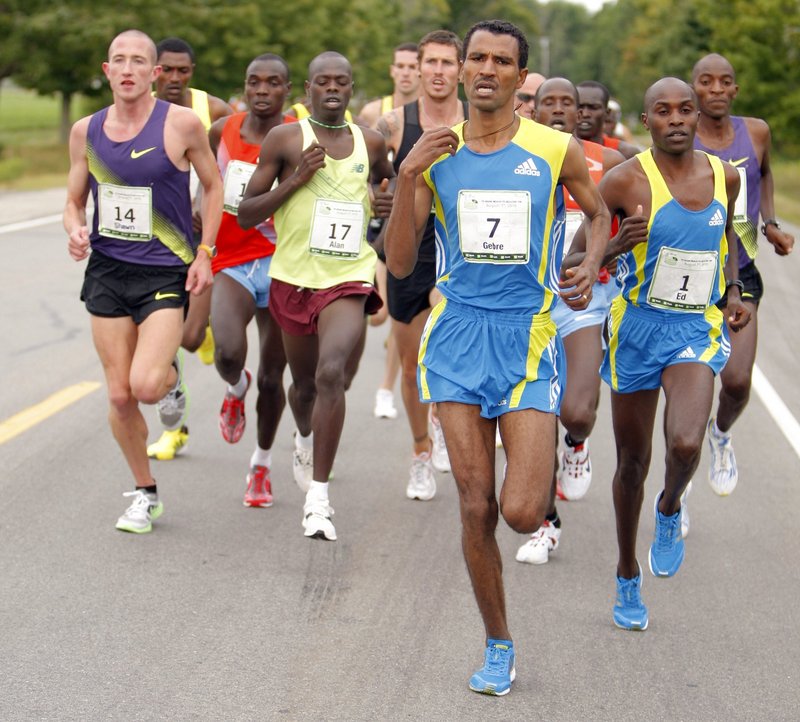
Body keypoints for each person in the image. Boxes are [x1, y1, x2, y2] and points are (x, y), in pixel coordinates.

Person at [385, 20, 610, 695]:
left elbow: (599, 215)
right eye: (475, 58)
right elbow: (399, 262)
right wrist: (405, 176)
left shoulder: (553, 148)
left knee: (519, 510)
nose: (485, 69)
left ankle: (546, 457)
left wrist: (589, 261)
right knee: (475, 503)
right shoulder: (436, 153)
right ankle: (498, 641)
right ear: (458, 71)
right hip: (455, 340)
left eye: (501, 61)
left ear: (520, 76)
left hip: (529, 336)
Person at [584, 77, 749, 631]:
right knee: (631, 463)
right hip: (635, 329)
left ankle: (671, 507)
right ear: (646, 120)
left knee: (684, 442)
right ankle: (627, 571)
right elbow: (576, 262)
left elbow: (726, 237)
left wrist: (731, 292)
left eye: (686, 110)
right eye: (663, 111)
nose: (676, 119)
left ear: (697, 117)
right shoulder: (622, 181)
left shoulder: (724, 175)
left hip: (693, 331)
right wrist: (613, 246)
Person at [64, 29, 222, 533]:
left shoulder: (181, 124)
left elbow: (214, 186)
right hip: (108, 269)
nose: (127, 69)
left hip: (163, 269)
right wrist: (75, 230)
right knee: (118, 395)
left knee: (147, 386)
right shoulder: (85, 131)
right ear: (107, 71)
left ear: (154, 73)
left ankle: (172, 380)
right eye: (118, 60)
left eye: (138, 61)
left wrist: (205, 253)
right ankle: (145, 492)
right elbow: (73, 200)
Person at [238, 51, 395, 542]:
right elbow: (246, 213)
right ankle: (304, 437)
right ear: (307, 89)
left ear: (351, 89)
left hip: (348, 276)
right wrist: (298, 180)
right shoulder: (285, 139)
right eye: (323, 82)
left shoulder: (370, 142)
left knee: (331, 374)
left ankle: (319, 500)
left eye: (342, 82)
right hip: (292, 277)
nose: (332, 89)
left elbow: (390, 189)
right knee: (302, 386)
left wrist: (382, 223)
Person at [515, 77, 624, 565]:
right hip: (524, 304)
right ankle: (546, 523)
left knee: (576, 409)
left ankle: (576, 444)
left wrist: (607, 255)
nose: (559, 110)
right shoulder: (516, 157)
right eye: (549, 102)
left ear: (583, 112)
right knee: (532, 420)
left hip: (583, 300)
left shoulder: (609, 165)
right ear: (533, 110)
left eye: (569, 103)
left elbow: (631, 228)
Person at [691, 53, 795, 496]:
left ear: (735, 89)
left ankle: (721, 433)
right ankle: (681, 481)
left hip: (745, 268)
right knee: (688, 395)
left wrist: (768, 222)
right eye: (706, 82)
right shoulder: (682, 136)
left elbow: (765, 173)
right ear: (693, 88)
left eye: (725, 82)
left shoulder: (756, 132)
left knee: (736, 381)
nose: (716, 89)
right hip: (693, 273)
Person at [377, 29, 468, 500]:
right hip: (410, 248)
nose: (437, 71)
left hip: (463, 248)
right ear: (418, 66)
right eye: (429, 62)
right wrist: (374, 197)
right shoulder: (394, 124)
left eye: (447, 63)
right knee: (412, 367)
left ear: (461, 69)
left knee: (444, 354)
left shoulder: (480, 122)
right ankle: (419, 449)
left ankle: (443, 419)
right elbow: (363, 173)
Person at [208, 53, 296, 507]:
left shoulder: (301, 133)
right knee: (226, 350)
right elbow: (204, 191)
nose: (262, 90)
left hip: (284, 263)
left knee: (272, 377)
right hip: (233, 259)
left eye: (272, 82)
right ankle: (233, 387)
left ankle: (260, 465)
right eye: (253, 82)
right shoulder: (220, 132)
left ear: (287, 89)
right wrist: (199, 250)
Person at [147, 36, 234, 461]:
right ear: (152, 70)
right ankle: (174, 427)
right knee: (163, 341)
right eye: (167, 69)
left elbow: (239, 160)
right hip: (154, 246)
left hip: (201, 243)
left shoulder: (213, 111)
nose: (174, 78)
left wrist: (206, 208)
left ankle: (206, 333)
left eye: (184, 70)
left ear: (192, 72)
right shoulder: (138, 109)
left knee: (190, 335)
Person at [358, 43, 421, 422]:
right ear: (392, 70)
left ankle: (385, 387)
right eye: (401, 66)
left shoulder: (435, 115)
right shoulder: (374, 114)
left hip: (409, 224)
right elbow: (358, 164)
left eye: (413, 65)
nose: (407, 73)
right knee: (379, 318)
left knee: (396, 312)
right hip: (376, 215)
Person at [356, 43, 420, 128]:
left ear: (421, 71)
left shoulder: (432, 112)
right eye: (400, 66)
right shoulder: (371, 112)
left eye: (412, 67)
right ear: (392, 71)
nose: (405, 73)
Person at [576, 80, 639, 159]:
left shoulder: (626, 154)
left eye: (593, 108)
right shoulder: (559, 151)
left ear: (607, 112)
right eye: (579, 107)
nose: (585, 114)